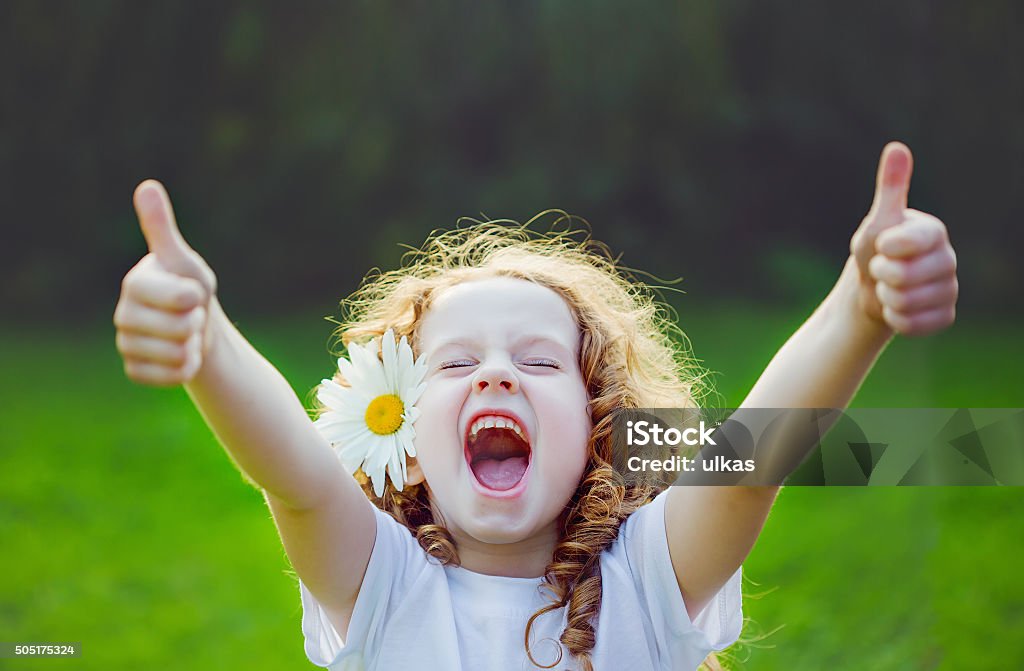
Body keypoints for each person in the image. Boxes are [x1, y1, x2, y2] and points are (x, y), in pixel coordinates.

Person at [113, 142, 958, 670]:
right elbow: (295, 475)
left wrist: (860, 309)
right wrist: (207, 343)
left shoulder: (645, 585)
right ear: (402, 433)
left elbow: (748, 464)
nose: (495, 375)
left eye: (540, 359)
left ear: (600, 429)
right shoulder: (387, 590)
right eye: (455, 361)